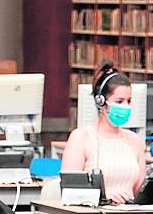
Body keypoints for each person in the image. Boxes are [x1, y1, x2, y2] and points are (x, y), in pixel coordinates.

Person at [60, 61, 147, 205]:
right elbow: (70, 192)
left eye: (129, 101)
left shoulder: (134, 140)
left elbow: (142, 193)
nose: (126, 107)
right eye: (119, 101)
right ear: (101, 102)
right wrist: (104, 198)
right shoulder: (81, 137)